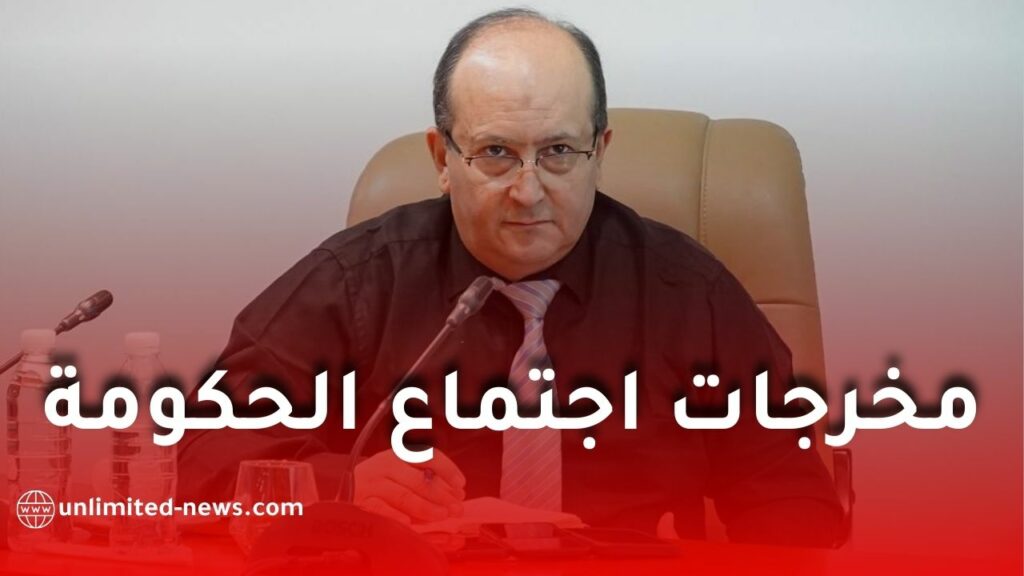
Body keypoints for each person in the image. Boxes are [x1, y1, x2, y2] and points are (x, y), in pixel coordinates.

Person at [179, 8, 841, 546]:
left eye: (559, 152)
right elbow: (198, 460)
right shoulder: (357, 283)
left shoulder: (691, 296)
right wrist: (341, 488)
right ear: (442, 159)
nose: (529, 192)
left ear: (600, 153)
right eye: (496, 152)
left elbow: (793, 503)